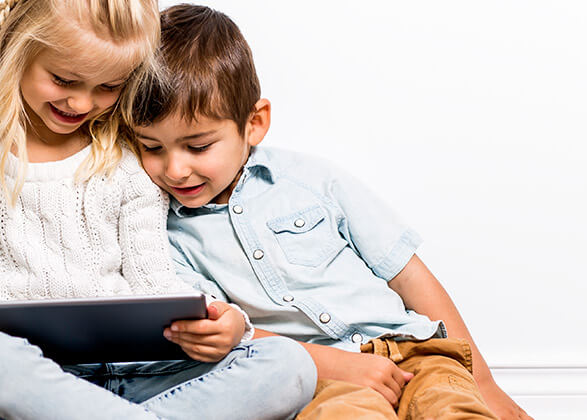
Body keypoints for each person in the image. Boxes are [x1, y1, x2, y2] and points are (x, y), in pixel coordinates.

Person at [0, 1, 316, 418]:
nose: (82, 103)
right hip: (42, 382)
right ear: (16, 51)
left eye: (109, 86)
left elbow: (153, 278)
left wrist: (222, 320)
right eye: (64, 79)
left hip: (145, 371)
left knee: (289, 363)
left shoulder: (126, 159)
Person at [128, 4, 534, 420]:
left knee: (452, 409)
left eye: (198, 146)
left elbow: (408, 274)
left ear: (254, 123)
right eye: (151, 147)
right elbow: (231, 334)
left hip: (416, 352)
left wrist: (483, 383)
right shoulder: (164, 237)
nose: (175, 169)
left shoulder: (311, 182)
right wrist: (334, 365)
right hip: (323, 377)